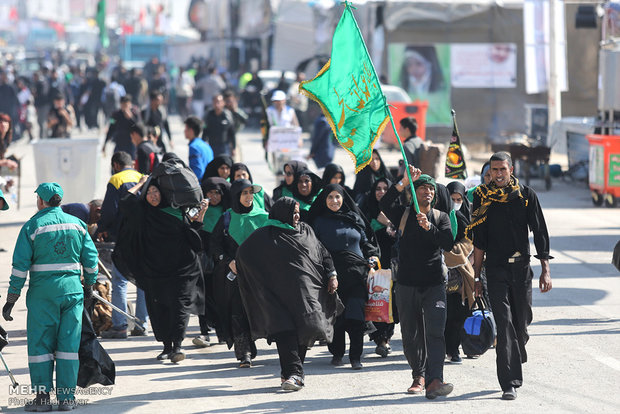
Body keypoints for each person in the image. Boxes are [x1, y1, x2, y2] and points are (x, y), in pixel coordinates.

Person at [2, 183, 99, 411]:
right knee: (68, 345)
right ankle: (67, 399)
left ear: (41, 201)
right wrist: (90, 286)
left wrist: (11, 298)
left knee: (40, 345)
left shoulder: (32, 226)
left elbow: (19, 266)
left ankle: (42, 399)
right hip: (72, 292)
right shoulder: (78, 224)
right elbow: (91, 258)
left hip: (42, 296)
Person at [468, 151, 552, 401]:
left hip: (521, 269)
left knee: (521, 323)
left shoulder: (526, 196)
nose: (498, 174)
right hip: (495, 270)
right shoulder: (481, 197)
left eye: (503, 169)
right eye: (494, 170)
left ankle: (517, 348)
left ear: (511, 170)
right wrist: (476, 278)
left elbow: (540, 232)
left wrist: (545, 269)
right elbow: (479, 241)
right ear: (489, 173)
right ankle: (509, 382)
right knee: (503, 326)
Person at [236, 197, 342, 391]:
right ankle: (295, 374)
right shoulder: (265, 235)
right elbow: (243, 252)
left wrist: (332, 275)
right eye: (293, 212)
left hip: (306, 293)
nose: (297, 216)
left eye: (298, 212)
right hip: (275, 296)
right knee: (284, 331)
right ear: (282, 213)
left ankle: (291, 372)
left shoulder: (306, 230)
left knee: (308, 327)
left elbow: (323, 253)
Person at [379, 167, 455, 399]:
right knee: (410, 334)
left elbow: (448, 243)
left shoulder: (440, 217)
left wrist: (429, 227)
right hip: (407, 284)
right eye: (422, 188)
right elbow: (384, 204)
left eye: (431, 189)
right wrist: (403, 181)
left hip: (434, 284)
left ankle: (435, 380)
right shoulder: (403, 214)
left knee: (435, 333)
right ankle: (418, 376)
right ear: (414, 193)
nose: (428, 192)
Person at [117, 176, 207, 362]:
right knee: (160, 308)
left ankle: (178, 346)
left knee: (180, 306)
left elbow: (193, 232)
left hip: (182, 268)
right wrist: (142, 183)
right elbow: (125, 201)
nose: (153, 195)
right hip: (155, 270)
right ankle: (167, 346)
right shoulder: (143, 212)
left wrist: (202, 214)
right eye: (149, 192)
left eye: (156, 191)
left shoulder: (176, 210)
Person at [309, 184, 380, 370]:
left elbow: (366, 242)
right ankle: (337, 353)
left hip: (357, 275)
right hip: (331, 276)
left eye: (337, 197)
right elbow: (314, 250)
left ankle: (356, 357)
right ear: (324, 200)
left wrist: (372, 256)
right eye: (330, 197)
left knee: (356, 317)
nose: (334, 201)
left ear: (343, 198)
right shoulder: (319, 222)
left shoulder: (354, 218)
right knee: (337, 317)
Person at [210, 179, 269, 367]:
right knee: (238, 312)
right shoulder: (226, 218)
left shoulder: (264, 217)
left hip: (259, 276)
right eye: (245, 193)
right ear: (236, 196)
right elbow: (214, 244)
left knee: (258, 310)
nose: (249, 197)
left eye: (251, 192)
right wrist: (227, 262)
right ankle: (244, 352)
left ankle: (254, 342)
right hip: (235, 275)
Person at [98, 152, 148, 338]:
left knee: (120, 280)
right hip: (144, 236)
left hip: (124, 237)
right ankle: (141, 324)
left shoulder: (116, 179)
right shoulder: (141, 177)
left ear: (116, 165)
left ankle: (119, 325)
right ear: (132, 163)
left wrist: (103, 229)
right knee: (143, 280)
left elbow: (110, 210)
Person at [359, 177, 398, 357]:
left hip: (394, 266)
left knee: (390, 303)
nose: (381, 192)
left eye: (385, 189)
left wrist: (391, 225)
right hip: (374, 264)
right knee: (376, 300)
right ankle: (379, 339)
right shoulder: (367, 210)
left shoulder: (397, 211)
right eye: (378, 188)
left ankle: (386, 339)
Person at [193, 177, 231, 347]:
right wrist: (201, 211)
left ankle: (222, 333)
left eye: (218, 193)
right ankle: (204, 332)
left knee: (219, 296)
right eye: (210, 193)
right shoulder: (199, 209)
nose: (214, 196)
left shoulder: (227, 213)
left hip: (220, 261)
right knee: (202, 296)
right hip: (202, 259)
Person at [443, 181, 475, 364]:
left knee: (459, 313)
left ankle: (454, 349)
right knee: (443, 314)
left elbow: (473, 244)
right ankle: (443, 349)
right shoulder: (440, 216)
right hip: (442, 273)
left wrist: (459, 256)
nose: (455, 202)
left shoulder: (467, 219)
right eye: (452, 198)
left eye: (459, 199)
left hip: (462, 275)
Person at [185, 115, 213, 181]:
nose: (184, 131)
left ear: (191, 130)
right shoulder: (206, 145)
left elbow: (197, 172)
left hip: (201, 186)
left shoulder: (194, 147)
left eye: (186, 129)